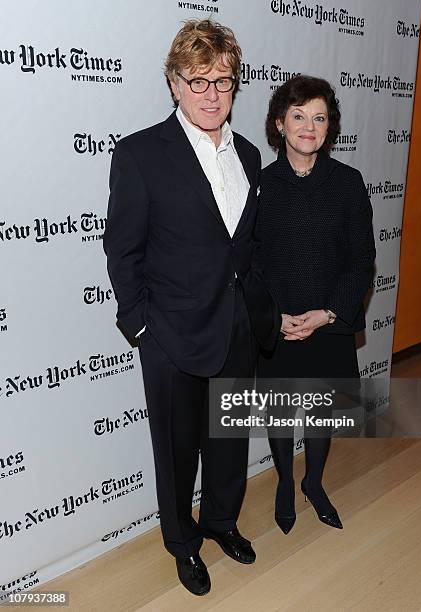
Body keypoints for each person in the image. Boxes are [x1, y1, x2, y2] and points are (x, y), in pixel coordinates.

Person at [103, 19, 280, 596]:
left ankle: (222, 522)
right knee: (177, 454)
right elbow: (123, 249)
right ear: (174, 83)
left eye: (223, 81)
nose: (211, 94)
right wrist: (143, 327)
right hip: (171, 336)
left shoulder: (250, 155)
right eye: (198, 80)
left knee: (228, 440)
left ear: (235, 85)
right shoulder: (140, 154)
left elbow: (245, 249)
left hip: (235, 331)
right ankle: (183, 544)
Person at [256, 75, 376, 534]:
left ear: (330, 126)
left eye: (319, 117)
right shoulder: (261, 185)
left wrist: (328, 315)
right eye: (299, 116)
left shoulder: (348, 183)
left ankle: (314, 482)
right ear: (280, 124)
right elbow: (252, 264)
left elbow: (362, 259)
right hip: (280, 324)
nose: (309, 126)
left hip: (329, 323)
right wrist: (275, 318)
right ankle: (286, 481)